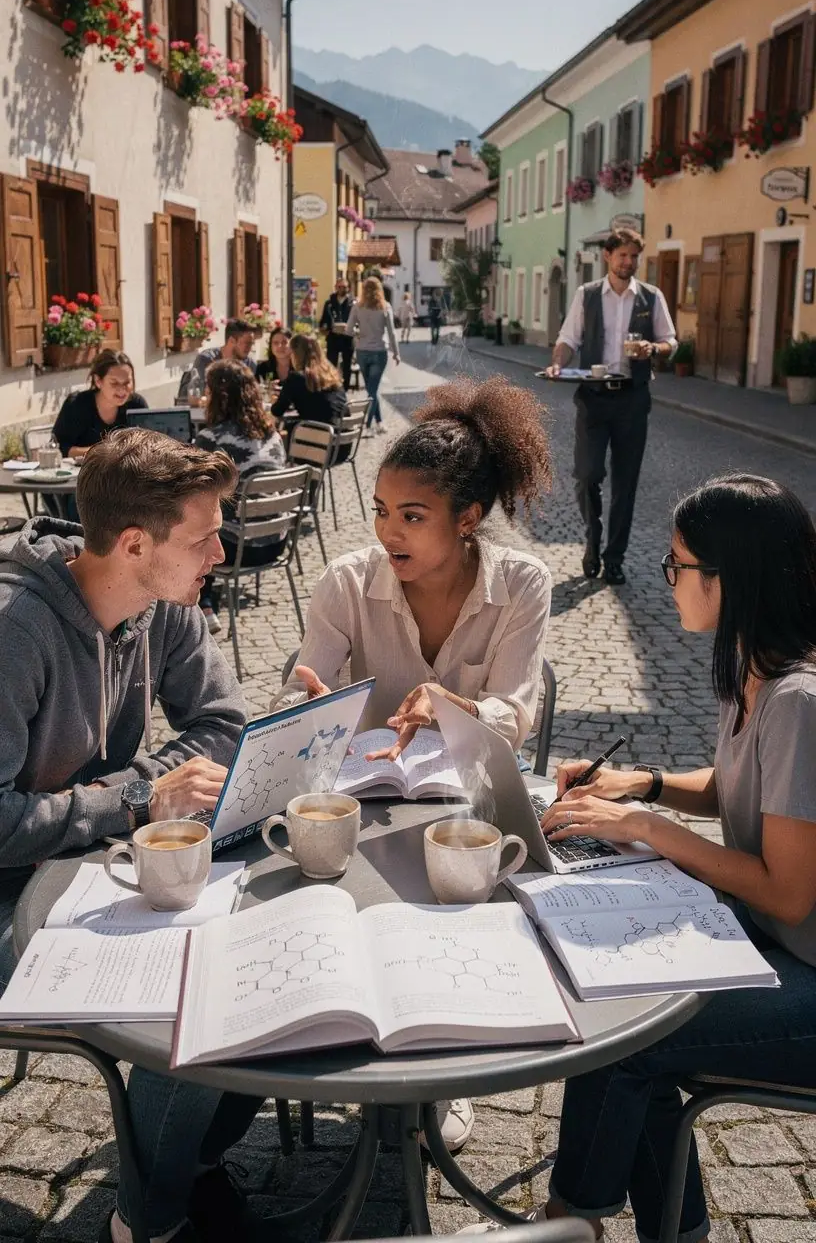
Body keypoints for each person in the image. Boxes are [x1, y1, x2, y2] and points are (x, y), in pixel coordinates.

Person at [521, 474, 816, 1243]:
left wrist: (648, 827)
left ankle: (569, 1220)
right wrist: (644, 783)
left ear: (732, 578)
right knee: (630, 1012)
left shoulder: (800, 701)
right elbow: (735, 788)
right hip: (778, 946)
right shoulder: (754, 666)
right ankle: (672, 1231)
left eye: (677, 565)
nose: (669, 578)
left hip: (808, 974)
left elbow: (787, 893)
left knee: (630, 1035)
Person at [0, 428, 274, 1243]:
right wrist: (135, 798)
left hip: (85, 875)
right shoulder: (16, 633)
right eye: (202, 537)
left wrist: (143, 791)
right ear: (131, 543)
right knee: (191, 997)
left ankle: (186, 1165)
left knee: (257, 948)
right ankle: (148, 1225)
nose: (221, 552)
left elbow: (227, 721)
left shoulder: (160, 605)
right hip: (10, 900)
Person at [275, 377, 554, 1154]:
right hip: (355, 811)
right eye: (379, 510)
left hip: (464, 813)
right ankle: (347, 1043)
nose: (387, 531)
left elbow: (517, 710)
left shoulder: (522, 584)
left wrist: (457, 708)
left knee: (461, 923)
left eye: (412, 516)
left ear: (468, 520)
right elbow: (305, 692)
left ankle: (442, 1075)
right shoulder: (347, 581)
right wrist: (309, 709)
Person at [545, 228, 676, 586]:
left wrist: (654, 349)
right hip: (594, 397)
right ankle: (592, 539)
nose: (629, 262)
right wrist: (558, 362)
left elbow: (671, 341)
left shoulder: (651, 297)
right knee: (587, 474)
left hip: (633, 399)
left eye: (634, 256)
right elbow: (568, 338)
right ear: (608, 255)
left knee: (625, 483)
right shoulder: (587, 296)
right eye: (623, 255)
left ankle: (614, 557)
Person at [196, 360, 288, 631]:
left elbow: (191, 493)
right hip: (276, 543)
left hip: (238, 551)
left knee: (191, 522)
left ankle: (202, 605)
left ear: (217, 396)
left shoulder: (212, 440)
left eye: (208, 389)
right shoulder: (272, 434)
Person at [53, 349, 147, 458]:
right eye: (114, 383)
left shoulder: (137, 405)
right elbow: (59, 448)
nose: (122, 390)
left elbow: (149, 446)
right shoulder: (77, 405)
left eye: (127, 382)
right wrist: (104, 452)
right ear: (98, 381)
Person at [347, 274, 400, 434]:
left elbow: (349, 330)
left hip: (362, 351)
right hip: (379, 351)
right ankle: (372, 424)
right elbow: (391, 333)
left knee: (371, 389)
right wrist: (396, 353)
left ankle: (374, 423)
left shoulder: (357, 306)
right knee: (372, 390)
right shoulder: (385, 307)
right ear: (379, 290)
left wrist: (359, 333)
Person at [178, 319, 257, 404]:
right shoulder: (206, 360)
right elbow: (199, 396)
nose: (250, 348)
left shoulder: (250, 364)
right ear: (231, 340)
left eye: (251, 344)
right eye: (247, 343)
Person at [320, 275, 354, 389]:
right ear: (335, 287)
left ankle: (345, 388)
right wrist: (325, 329)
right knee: (331, 363)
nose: (341, 289)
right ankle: (332, 386)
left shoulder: (353, 303)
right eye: (339, 287)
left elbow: (358, 321)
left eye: (344, 287)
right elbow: (323, 321)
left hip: (347, 337)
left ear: (348, 288)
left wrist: (350, 327)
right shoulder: (329, 303)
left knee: (347, 365)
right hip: (333, 337)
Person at [255, 324, 293, 390]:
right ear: (271, 346)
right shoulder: (263, 368)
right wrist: (266, 389)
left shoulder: (300, 368)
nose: (280, 346)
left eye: (284, 342)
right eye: (275, 343)